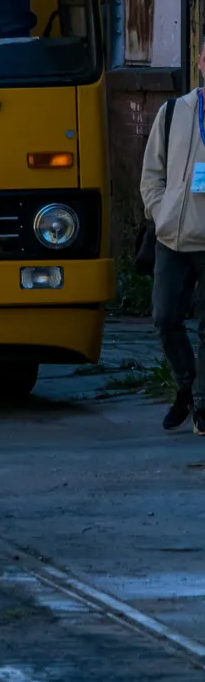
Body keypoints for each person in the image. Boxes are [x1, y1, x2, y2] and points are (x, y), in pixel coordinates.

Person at [138, 44, 205, 435]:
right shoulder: (173, 112)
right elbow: (153, 173)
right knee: (164, 318)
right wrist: (161, 214)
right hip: (173, 238)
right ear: (199, 61)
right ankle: (186, 388)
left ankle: (202, 404)